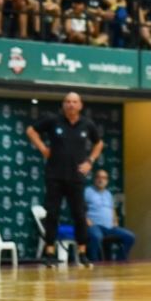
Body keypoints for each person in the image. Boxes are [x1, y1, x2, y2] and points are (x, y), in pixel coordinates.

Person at [26, 92, 103, 268]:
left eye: (74, 102)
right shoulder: (53, 121)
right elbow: (31, 131)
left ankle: (82, 253)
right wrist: (43, 149)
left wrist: (90, 161)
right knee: (52, 214)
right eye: (67, 102)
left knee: (79, 215)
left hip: (76, 177)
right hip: (55, 175)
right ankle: (49, 253)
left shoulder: (87, 124)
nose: (71, 105)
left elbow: (98, 143)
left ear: (80, 105)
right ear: (63, 105)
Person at [84, 169, 136, 261]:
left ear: (107, 181)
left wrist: (115, 220)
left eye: (104, 178)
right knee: (96, 236)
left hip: (110, 227)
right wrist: (87, 220)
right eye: (99, 177)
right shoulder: (87, 191)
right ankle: (94, 262)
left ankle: (120, 262)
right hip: (95, 226)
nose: (101, 180)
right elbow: (80, 207)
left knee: (130, 237)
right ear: (95, 179)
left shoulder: (108, 194)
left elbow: (112, 209)